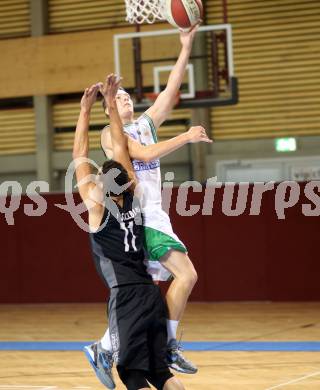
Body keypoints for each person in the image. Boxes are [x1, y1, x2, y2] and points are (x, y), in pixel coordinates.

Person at [99, 24, 212, 378]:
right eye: (119, 97)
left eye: (128, 96)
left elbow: (171, 89)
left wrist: (185, 45)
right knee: (187, 274)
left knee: (144, 295)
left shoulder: (146, 123)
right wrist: (187, 136)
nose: (126, 98)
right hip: (140, 218)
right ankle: (168, 346)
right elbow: (144, 153)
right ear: (107, 109)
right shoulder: (110, 134)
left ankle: (103, 347)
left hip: (155, 217)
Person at [73, 76, 186, 390]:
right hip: (153, 296)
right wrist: (109, 104)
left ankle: (103, 350)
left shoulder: (96, 207)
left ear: (99, 186)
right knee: (163, 377)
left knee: (133, 376)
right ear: (127, 179)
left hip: (127, 299)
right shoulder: (135, 198)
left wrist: (85, 111)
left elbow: (79, 154)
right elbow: (121, 148)